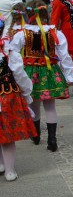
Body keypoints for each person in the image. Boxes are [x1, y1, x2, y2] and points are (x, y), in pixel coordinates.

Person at [8, 0, 73, 152]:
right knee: (50, 106)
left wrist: (14, 73)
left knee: (34, 103)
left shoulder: (22, 34)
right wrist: (69, 75)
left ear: (28, 14)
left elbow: (13, 54)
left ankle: (36, 134)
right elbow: (64, 55)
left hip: (30, 72)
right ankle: (52, 139)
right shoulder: (55, 32)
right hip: (50, 71)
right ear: (46, 14)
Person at [0, 33, 37, 181]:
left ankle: (2, 165)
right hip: (8, 97)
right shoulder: (10, 54)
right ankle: (9, 170)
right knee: (7, 135)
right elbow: (21, 77)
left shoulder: (9, 53)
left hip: (7, 98)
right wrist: (27, 94)